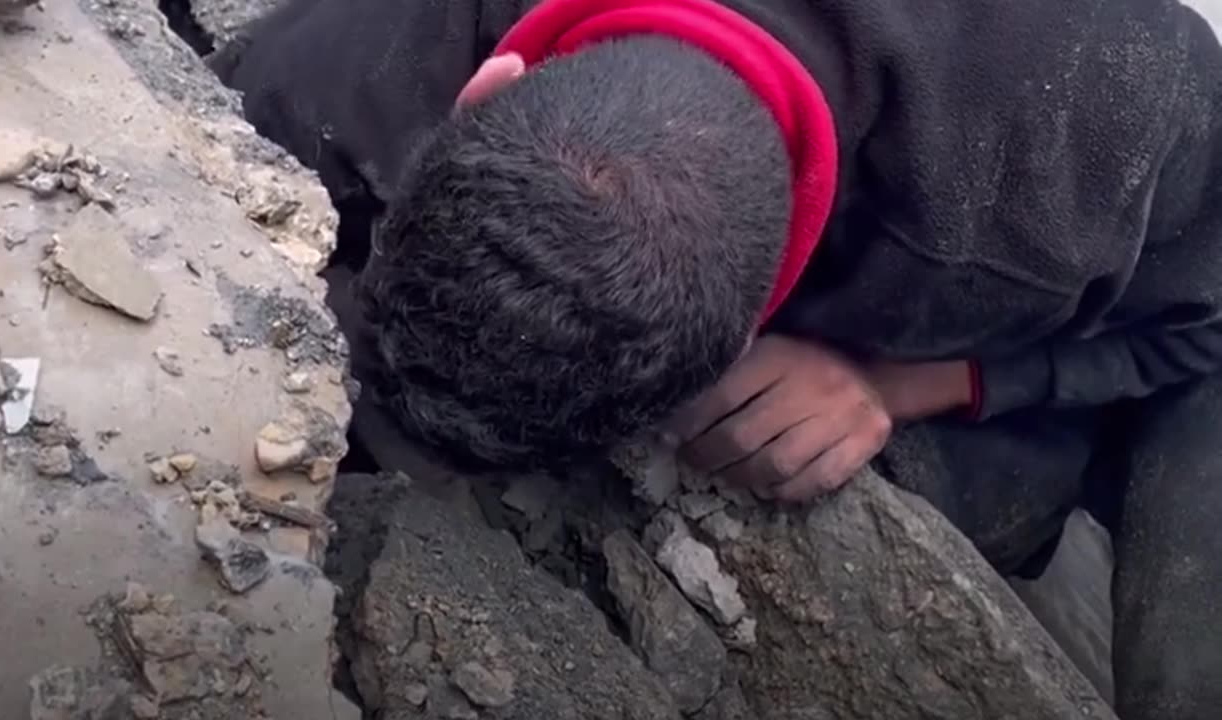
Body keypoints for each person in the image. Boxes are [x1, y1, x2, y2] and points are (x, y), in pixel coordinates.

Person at [212, 0, 1222, 716]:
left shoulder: (1085, 158)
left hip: (1067, 265)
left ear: (743, 341)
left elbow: (1201, 330)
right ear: (482, 89)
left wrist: (910, 383)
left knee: (791, 481)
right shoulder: (358, 52)